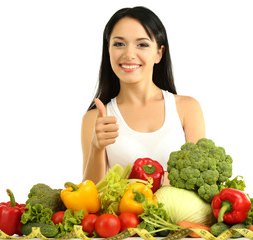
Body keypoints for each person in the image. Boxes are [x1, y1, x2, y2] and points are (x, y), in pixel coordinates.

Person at [81, 6, 205, 184]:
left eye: (142, 44)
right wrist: (97, 147)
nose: (129, 54)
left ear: (159, 53)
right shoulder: (94, 119)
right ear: (108, 50)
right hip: (124, 213)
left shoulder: (187, 108)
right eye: (119, 44)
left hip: (180, 213)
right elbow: (89, 195)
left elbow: (200, 179)